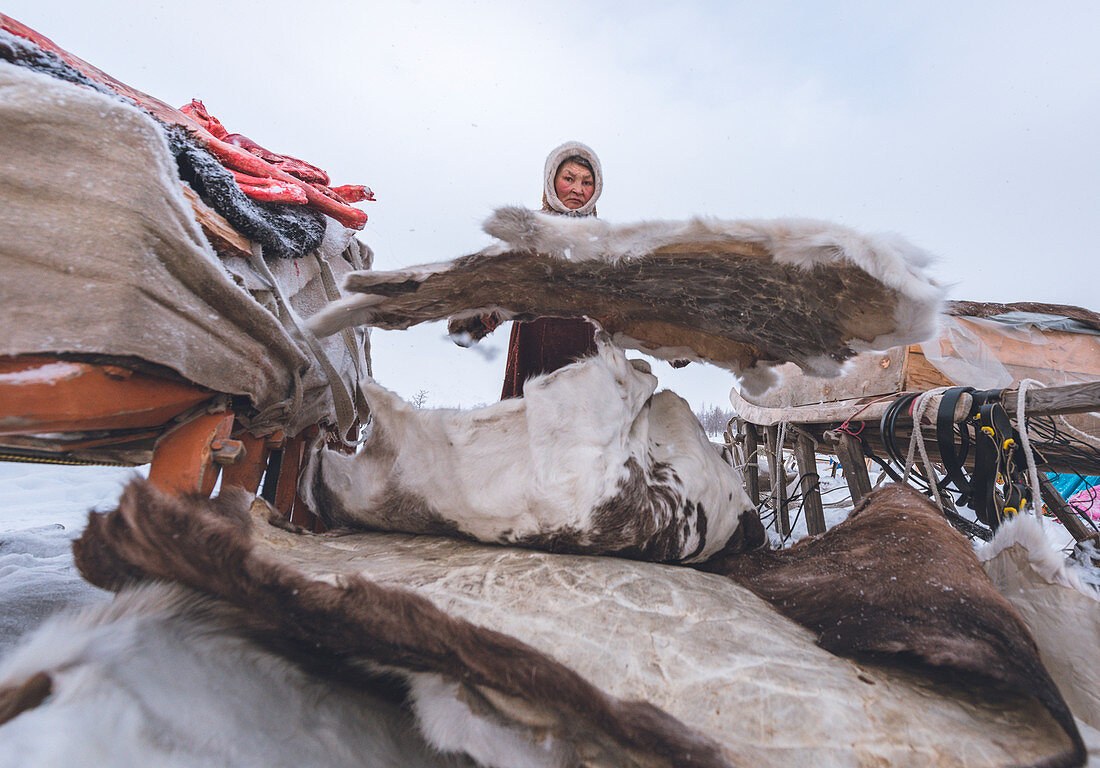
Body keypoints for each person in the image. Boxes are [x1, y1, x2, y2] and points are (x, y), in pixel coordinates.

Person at [500, 141, 603, 399]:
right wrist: (475, 319)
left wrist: (675, 341)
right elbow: (497, 284)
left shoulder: (606, 242)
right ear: (551, 180)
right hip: (534, 354)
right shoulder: (528, 233)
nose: (578, 189)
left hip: (590, 360)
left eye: (587, 182)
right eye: (569, 178)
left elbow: (636, 302)